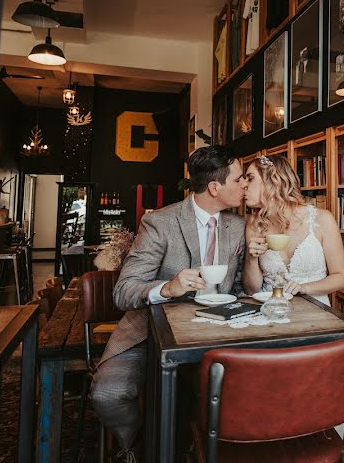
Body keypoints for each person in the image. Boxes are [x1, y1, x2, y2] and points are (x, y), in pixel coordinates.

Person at [90, 145, 248, 462]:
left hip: (219, 336)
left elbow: (242, 286)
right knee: (108, 394)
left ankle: (195, 446)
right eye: (240, 179)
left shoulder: (239, 227)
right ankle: (134, 447)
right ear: (215, 188)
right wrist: (167, 288)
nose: (245, 185)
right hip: (150, 334)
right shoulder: (160, 223)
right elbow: (123, 291)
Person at [242, 154, 344, 305]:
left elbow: (341, 277)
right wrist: (251, 258)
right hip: (271, 310)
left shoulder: (322, 219)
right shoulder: (254, 224)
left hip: (314, 313)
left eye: (250, 178)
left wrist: (305, 288)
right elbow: (252, 290)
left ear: (272, 180)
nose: (244, 185)